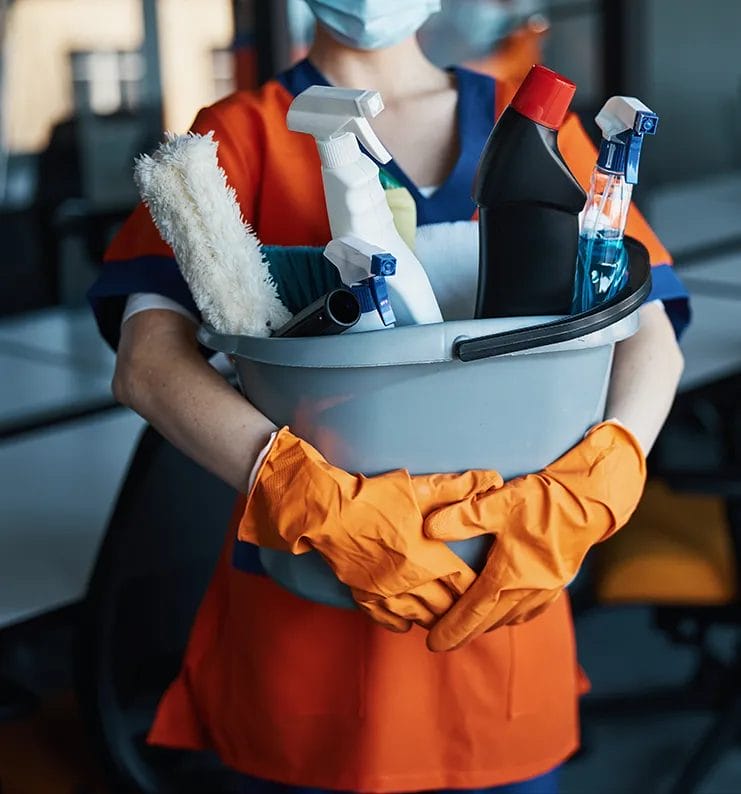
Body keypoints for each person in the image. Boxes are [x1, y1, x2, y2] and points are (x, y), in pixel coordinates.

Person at [88, 2, 690, 791]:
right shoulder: (241, 133)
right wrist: (307, 498)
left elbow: (647, 330)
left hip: (505, 613)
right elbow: (148, 364)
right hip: (313, 642)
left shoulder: (539, 125)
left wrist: (601, 478)